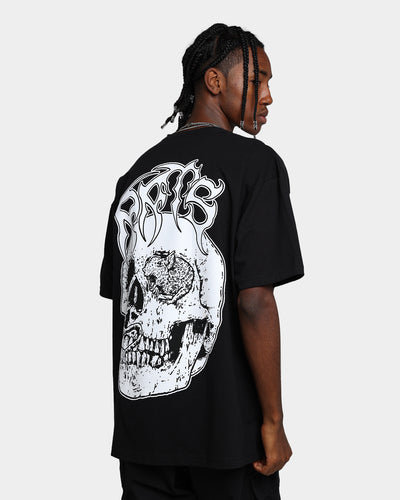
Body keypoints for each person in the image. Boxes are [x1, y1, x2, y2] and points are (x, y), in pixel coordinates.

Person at [99, 22, 305, 500]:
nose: (268, 96)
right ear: (214, 81)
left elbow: (124, 302)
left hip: (142, 439)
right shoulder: (256, 165)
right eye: (257, 80)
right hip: (227, 441)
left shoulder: (133, 178)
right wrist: (273, 422)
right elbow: (254, 301)